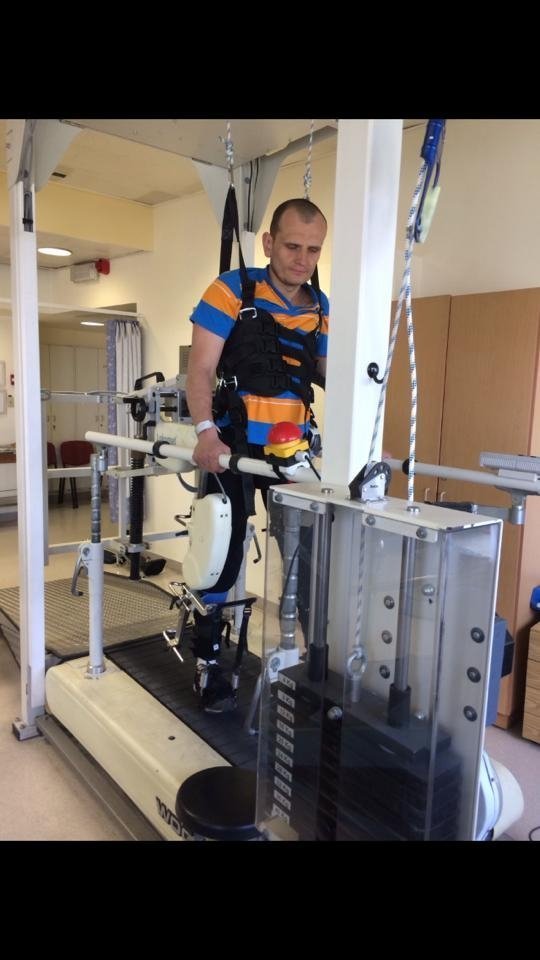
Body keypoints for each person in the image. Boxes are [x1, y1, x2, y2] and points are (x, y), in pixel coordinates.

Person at [186, 198, 329, 713]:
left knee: (308, 561)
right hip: (234, 449)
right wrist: (206, 433)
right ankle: (208, 664)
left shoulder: (321, 306)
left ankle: (317, 670)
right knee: (222, 559)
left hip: (291, 452)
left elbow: (329, 374)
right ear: (269, 243)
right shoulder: (230, 290)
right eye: (292, 246)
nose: (302, 259)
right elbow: (201, 369)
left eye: (313, 249)